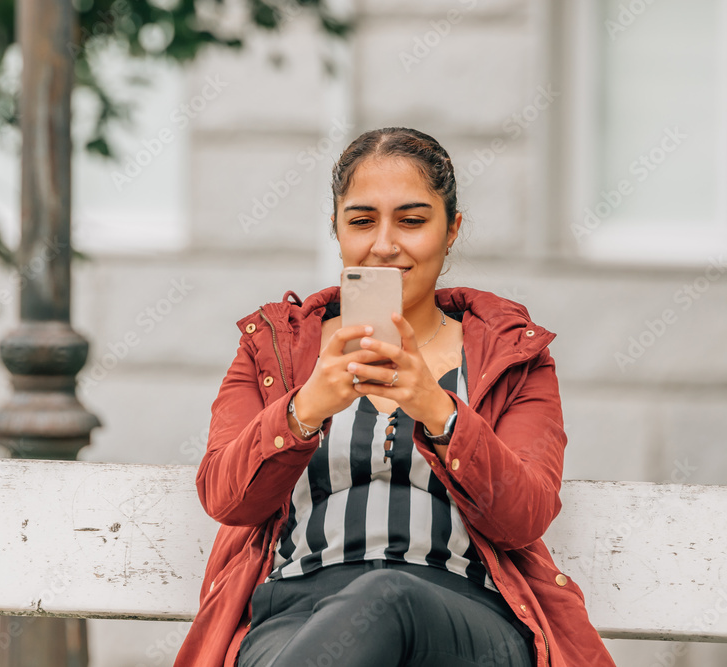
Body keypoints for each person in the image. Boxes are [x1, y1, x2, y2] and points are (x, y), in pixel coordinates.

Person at [174, 127, 617, 667]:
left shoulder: (511, 357)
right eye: (361, 221)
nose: (384, 244)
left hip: (464, 620)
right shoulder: (276, 350)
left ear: (451, 229)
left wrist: (436, 408)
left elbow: (523, 515)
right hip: (295, 614)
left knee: (385, 595)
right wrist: (305, 408)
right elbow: (226, 498)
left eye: (412, 221)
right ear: (336, 229)